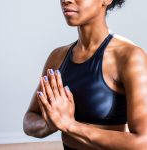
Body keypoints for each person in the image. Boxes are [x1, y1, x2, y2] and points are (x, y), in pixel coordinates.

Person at [23, 0, 147, 149]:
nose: (66, 0)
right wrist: (50, 124)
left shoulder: (129, 57)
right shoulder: (57, 57)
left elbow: (143, 142)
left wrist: (70, 126)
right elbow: (29, 118)